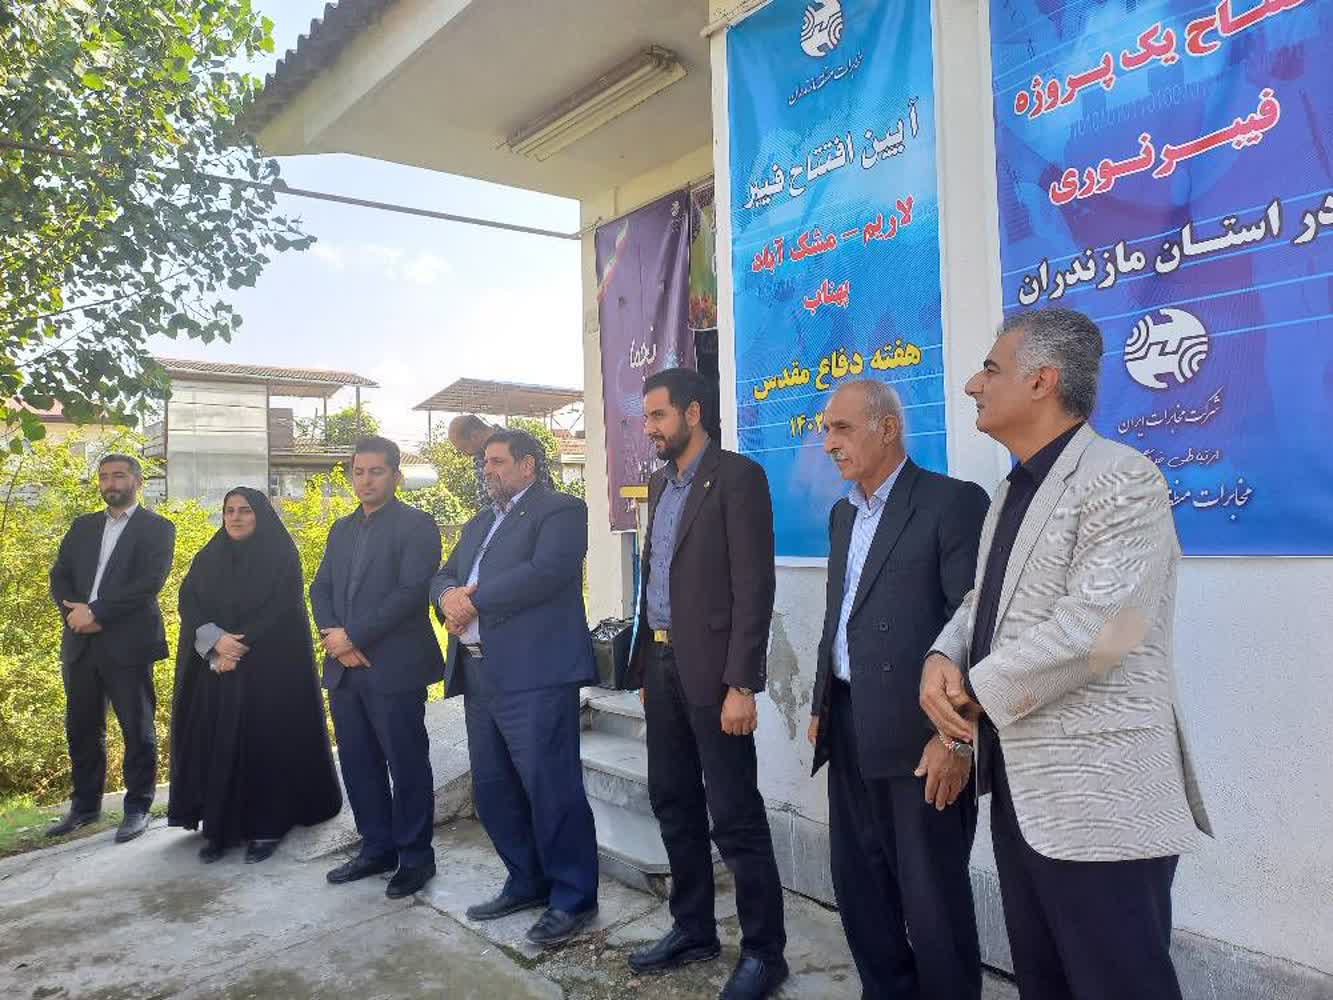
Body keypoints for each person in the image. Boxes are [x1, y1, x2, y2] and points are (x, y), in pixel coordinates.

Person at [920, 308, 1212, 1000]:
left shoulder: (1122, 477)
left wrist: (968, 695)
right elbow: (983, 602)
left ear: (1041, 381)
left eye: (990, 369)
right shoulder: (1010, 491)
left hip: (1099, 803)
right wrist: (941, 653)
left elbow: (1103, 631)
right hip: (1024, 798)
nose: (972, 385)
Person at [807, 380, 991, 999]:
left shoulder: (950, 503)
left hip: (921, 738)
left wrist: (957, 739)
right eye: (826, 430)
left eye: (841, 428)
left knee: (932, 903)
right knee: (862, 891)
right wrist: (822, 700)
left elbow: (974, 628)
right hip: (849, 725)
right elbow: (842, 617)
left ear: (887, 428)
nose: (828, 443)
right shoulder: (843, 515)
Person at [627, 368, 787, 1000]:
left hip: (716, 675)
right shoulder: (660, 484)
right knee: (672, 802)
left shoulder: (738, 478)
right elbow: (655, 579)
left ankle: (764, 953)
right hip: (663, 666)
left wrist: (742, 684)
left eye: (658, 415)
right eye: (646, 417)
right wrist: (645, 666)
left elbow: (754, 586)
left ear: (693, 413)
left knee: (735, 815)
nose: (649, 428)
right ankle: (692, 929)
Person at [430, 429, 600, 948]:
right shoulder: (479, 522)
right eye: (485, 462)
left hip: (536, 675)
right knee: (494, 787)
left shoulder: (561, 510)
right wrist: (447, 598)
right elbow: (443, 575)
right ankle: (526, 880)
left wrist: (473, 601)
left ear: (528, 465)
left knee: (551, 787)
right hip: (480, 673)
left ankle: (572, 897)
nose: (488, 470)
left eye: (498, 461)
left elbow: (546, 572)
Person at [168, 487, 342, 863]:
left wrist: (238, 645)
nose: (235, 517)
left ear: (259, 515)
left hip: (271, 671)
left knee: (267, 744)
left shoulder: (281, 554)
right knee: (220, 743)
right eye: (229, 510)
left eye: (245, 510)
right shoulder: (208, 556)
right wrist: (215, 641)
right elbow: (189, 602)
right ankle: (221, 826)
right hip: (217, 667)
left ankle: (269, 825)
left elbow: (283, 607)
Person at [310, 436, 445, 898]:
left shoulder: (417, 525)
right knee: (358, 762)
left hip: (395, 667)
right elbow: (320, 587)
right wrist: (335, 637)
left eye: (376, 471)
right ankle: (376, 848)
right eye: (358, 472)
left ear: (396, 476)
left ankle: (416, 857)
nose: (365, 480)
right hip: (345, 668)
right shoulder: (342, 529)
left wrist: (354, 637)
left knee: (406, 765)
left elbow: (410, 593)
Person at [47, 453, 175, 844]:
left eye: (118, 475)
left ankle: (137, 808)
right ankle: (85, 808)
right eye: (104, 476)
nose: (110, 483)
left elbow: (148, 583)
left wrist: (97, 612)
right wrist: (75, 615)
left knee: (137, 728)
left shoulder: (157, 528)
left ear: (137, 481)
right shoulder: (83, 526)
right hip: (80, 642)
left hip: (128, 642)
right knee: (82, 728)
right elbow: (60, 575)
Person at [448, 414, 497, 508]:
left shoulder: (518, 443)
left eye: (464, 448)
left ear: (475, 436)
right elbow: (486, 502)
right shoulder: (479, 453)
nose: (466, 455)